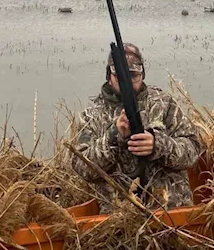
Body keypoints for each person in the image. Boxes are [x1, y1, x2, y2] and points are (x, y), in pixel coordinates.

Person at [72, 43, 202, 212]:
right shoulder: (92, 116)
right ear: (108, 75)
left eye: (133, 75)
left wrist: (158, 145)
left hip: (172, 212)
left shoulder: (164, 104)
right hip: (120, 219)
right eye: (120, 75)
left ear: (142, 75)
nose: (127, 81)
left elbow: (194, 151)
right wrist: (113, 137)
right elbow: (83, 169)